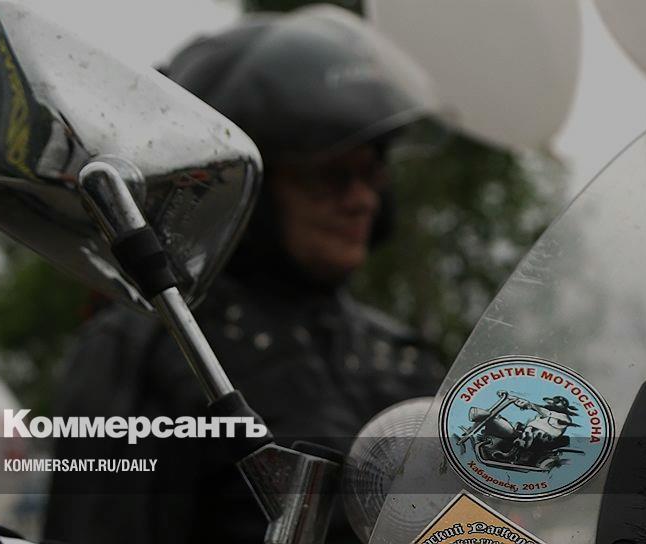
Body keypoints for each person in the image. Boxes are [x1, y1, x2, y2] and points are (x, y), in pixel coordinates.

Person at [43, 7, 448, 543]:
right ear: (242, 188)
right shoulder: (150, 349)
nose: (361, 199)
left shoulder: (399, 354)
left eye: (372, 173)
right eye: (330, 175)